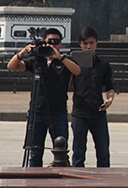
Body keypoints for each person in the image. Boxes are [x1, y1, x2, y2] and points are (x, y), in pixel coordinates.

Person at [8, 28, 81, 167]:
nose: (53, 45)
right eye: (49, 42)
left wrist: (60, 57)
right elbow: (12, 66)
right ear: (44, 43)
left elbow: (77, 71)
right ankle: (34, 183)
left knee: (61, 151)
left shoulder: (65, 61)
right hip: (37, 112)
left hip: (58, 112)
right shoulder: (37, 60)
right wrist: (23, 52)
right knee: (35, 152)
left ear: (60, 44)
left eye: (56, 42)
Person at [70, 26, 116, 167]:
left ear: (97, 42)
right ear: (80, 44)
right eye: (85, 44)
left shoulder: (104, 65)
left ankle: (104, 183)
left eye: (91, 43)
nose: (89, 46)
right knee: (78, 152)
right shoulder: (74, 64)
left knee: (103, 152)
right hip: (80, 113)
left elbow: (109, 87)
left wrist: (110, 99)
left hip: (98, 113)